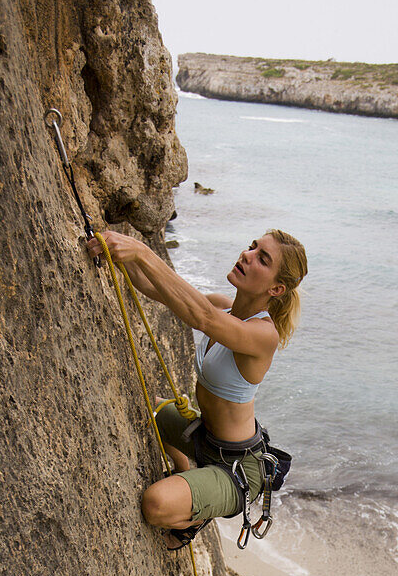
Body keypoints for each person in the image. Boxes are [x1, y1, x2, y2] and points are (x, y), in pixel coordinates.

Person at [87, 228, 308, 549]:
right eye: (251, 246)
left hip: (237, 469)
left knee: (155, 504)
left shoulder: (263, 335)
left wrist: (142, 252)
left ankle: (194, 518)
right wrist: (115, 249)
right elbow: (158, 289)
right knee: (149, 407)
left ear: (277, 288)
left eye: (262, 258)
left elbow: (201, 317)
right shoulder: (224, 306)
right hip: (205, 438)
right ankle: (183, 470)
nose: (247, 255)